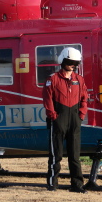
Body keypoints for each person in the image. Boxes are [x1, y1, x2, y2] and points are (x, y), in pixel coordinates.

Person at [42, 47, 88, 193]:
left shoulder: (79, 80)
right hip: (58, 119)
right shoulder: (52, 79)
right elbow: (47, 99)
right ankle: (52, 184)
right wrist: (53, 116)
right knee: (56, 154)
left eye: (75, 63)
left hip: (74, 119)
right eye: (70, 62)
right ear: (62, 61)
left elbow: (84, 98)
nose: (72, 65)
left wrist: (81, 114)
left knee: (75, 155)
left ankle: (77, 185)